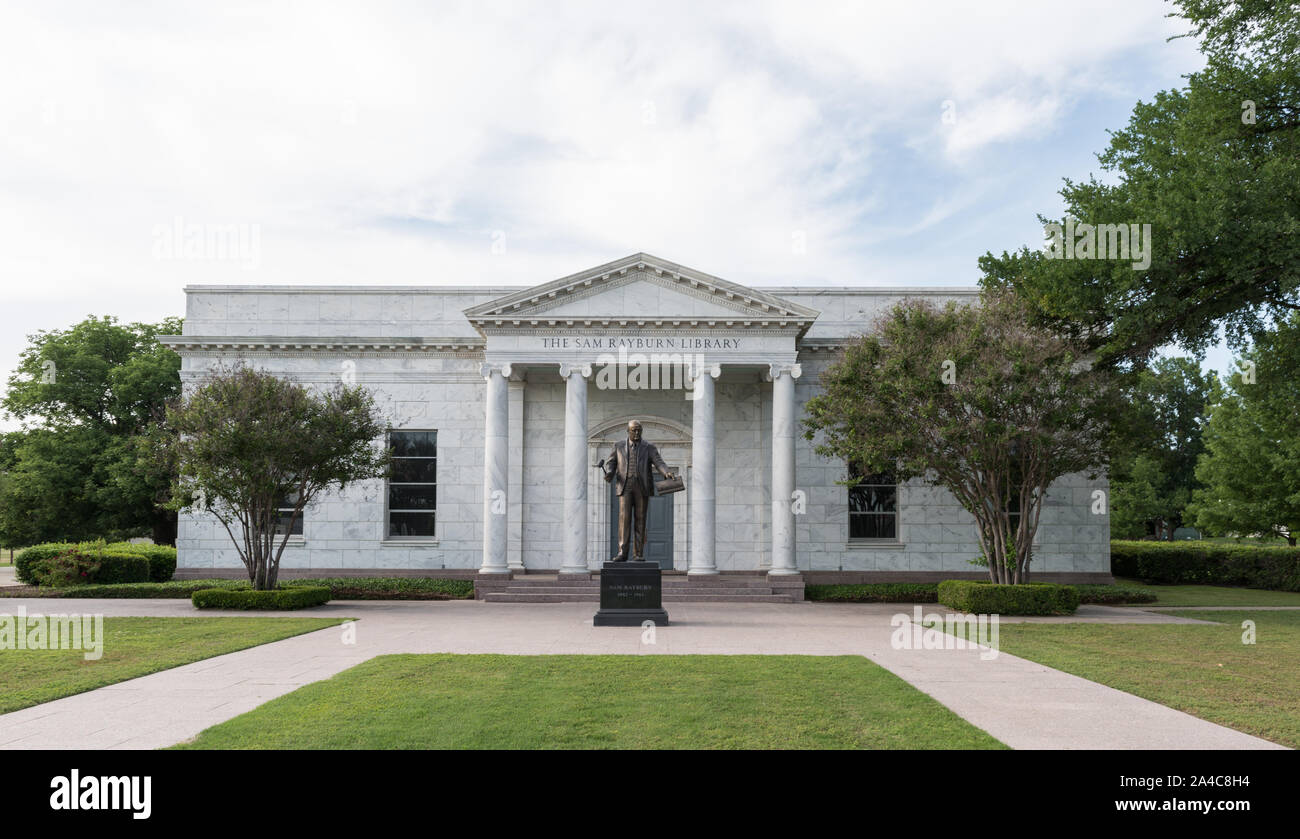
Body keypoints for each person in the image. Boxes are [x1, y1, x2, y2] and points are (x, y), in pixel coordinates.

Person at [603, 420, 674, 561]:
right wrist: (610, 472)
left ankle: (638, 554)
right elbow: (611, 462)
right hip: (625, 485)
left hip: (642, 487)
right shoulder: (618, 446)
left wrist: (666, 472)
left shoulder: (649, 447)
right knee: (624, 519)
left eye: (639, 430)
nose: (636, 433)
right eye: (634, 430)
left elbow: (659, 461)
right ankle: (622, 553)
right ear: (628, 431)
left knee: (640, 520)